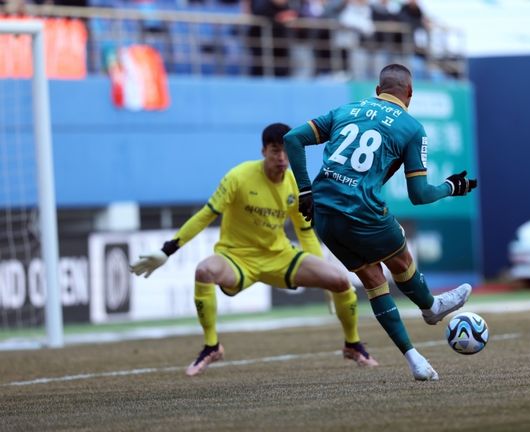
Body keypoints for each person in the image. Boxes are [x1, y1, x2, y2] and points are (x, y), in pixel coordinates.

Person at [130, 123, 378, 376]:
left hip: (279, 256)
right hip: (236, 257)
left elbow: (304, 232)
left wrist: (321, 268)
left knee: (339, 279)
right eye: (275, 151)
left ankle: (353, 344)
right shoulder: (238, 177)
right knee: (204, 271)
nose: (281, 158)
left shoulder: (294, 183)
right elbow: (206, 215)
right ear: (263, 151)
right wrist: (167, 250)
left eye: (286, 152)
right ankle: (212, 346)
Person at [283, 63, 477, 381]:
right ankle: (430, 307)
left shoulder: (346, 109)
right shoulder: (412, 129)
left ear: (377, 90)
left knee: (374, 280)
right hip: (361, 209)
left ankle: (415, 360)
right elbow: (420, 195)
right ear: (410, 94)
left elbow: (293, 138)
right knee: (400, 257)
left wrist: (305, 190)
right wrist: (452, 187)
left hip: (323, 214)